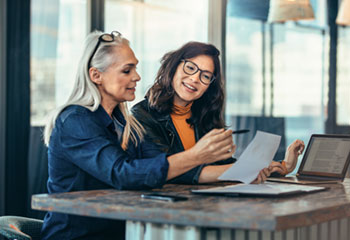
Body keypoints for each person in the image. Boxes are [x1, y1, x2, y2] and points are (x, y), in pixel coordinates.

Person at [41, 32, 235, 240]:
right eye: (127, 70)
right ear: (96, 75)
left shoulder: (125, 124)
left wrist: (246, 170)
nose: (137, 76)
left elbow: (163, 168)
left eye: (135, 67)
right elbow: (122, 173)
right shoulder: (75, 120)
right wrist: (196, 155)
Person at [131, 41, 305, 184]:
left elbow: (223, 166)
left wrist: (282, 166)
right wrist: (244, 170)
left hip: (205, 204)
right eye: (190, 68)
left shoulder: (203, 115)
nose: (195, 79)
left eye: (206, 76)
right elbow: (169, 170)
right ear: (174, 67)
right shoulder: (142, 115)